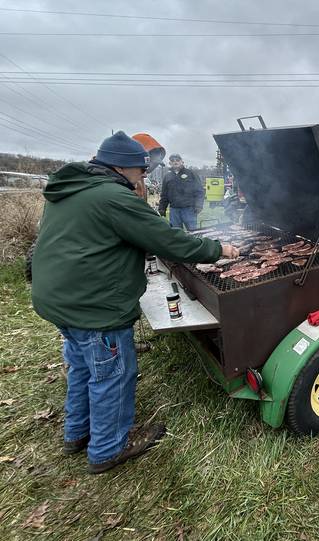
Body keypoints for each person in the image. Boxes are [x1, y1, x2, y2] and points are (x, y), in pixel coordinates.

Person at [31, 131, 239, 474]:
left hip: (57, 298)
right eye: (140, 171)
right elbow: (165, 238)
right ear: (121, 167)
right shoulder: (112, 197)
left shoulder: (72, 189)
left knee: (84, 368)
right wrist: (219, 250)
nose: (144, 176)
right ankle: (108, 449)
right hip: (93, 306)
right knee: (112, 375)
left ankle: (77, 434)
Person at [158, 153, 204, 230]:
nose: (175, 162)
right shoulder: (167, 177)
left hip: (189, 209)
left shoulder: (191, 174)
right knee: (177, 234)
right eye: (172, 160)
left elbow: (199, 191)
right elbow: (164, 195)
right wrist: (162, 208)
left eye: (177, 160)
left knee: (193, 232)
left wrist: (199, 205)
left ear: (182, 162)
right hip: (174, 210)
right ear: (170, 163)